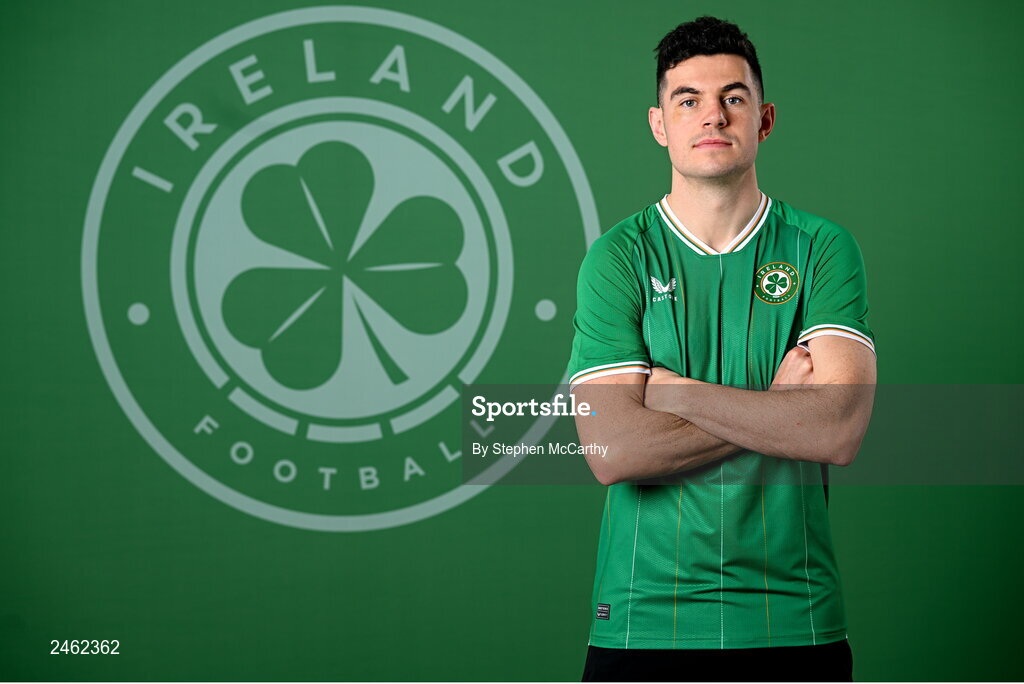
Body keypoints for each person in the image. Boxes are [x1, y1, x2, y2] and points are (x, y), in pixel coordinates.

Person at [568, 16, 877, 682]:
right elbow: (613, 450)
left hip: (795, 620)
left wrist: (676, 390)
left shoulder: (822, 249)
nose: (712, 115)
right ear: (660, 124)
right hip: (641, 624)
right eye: (689, 100)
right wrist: (776, 406)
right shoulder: (618, 257)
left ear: (764, 119)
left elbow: (839, 427)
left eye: (732, 98)